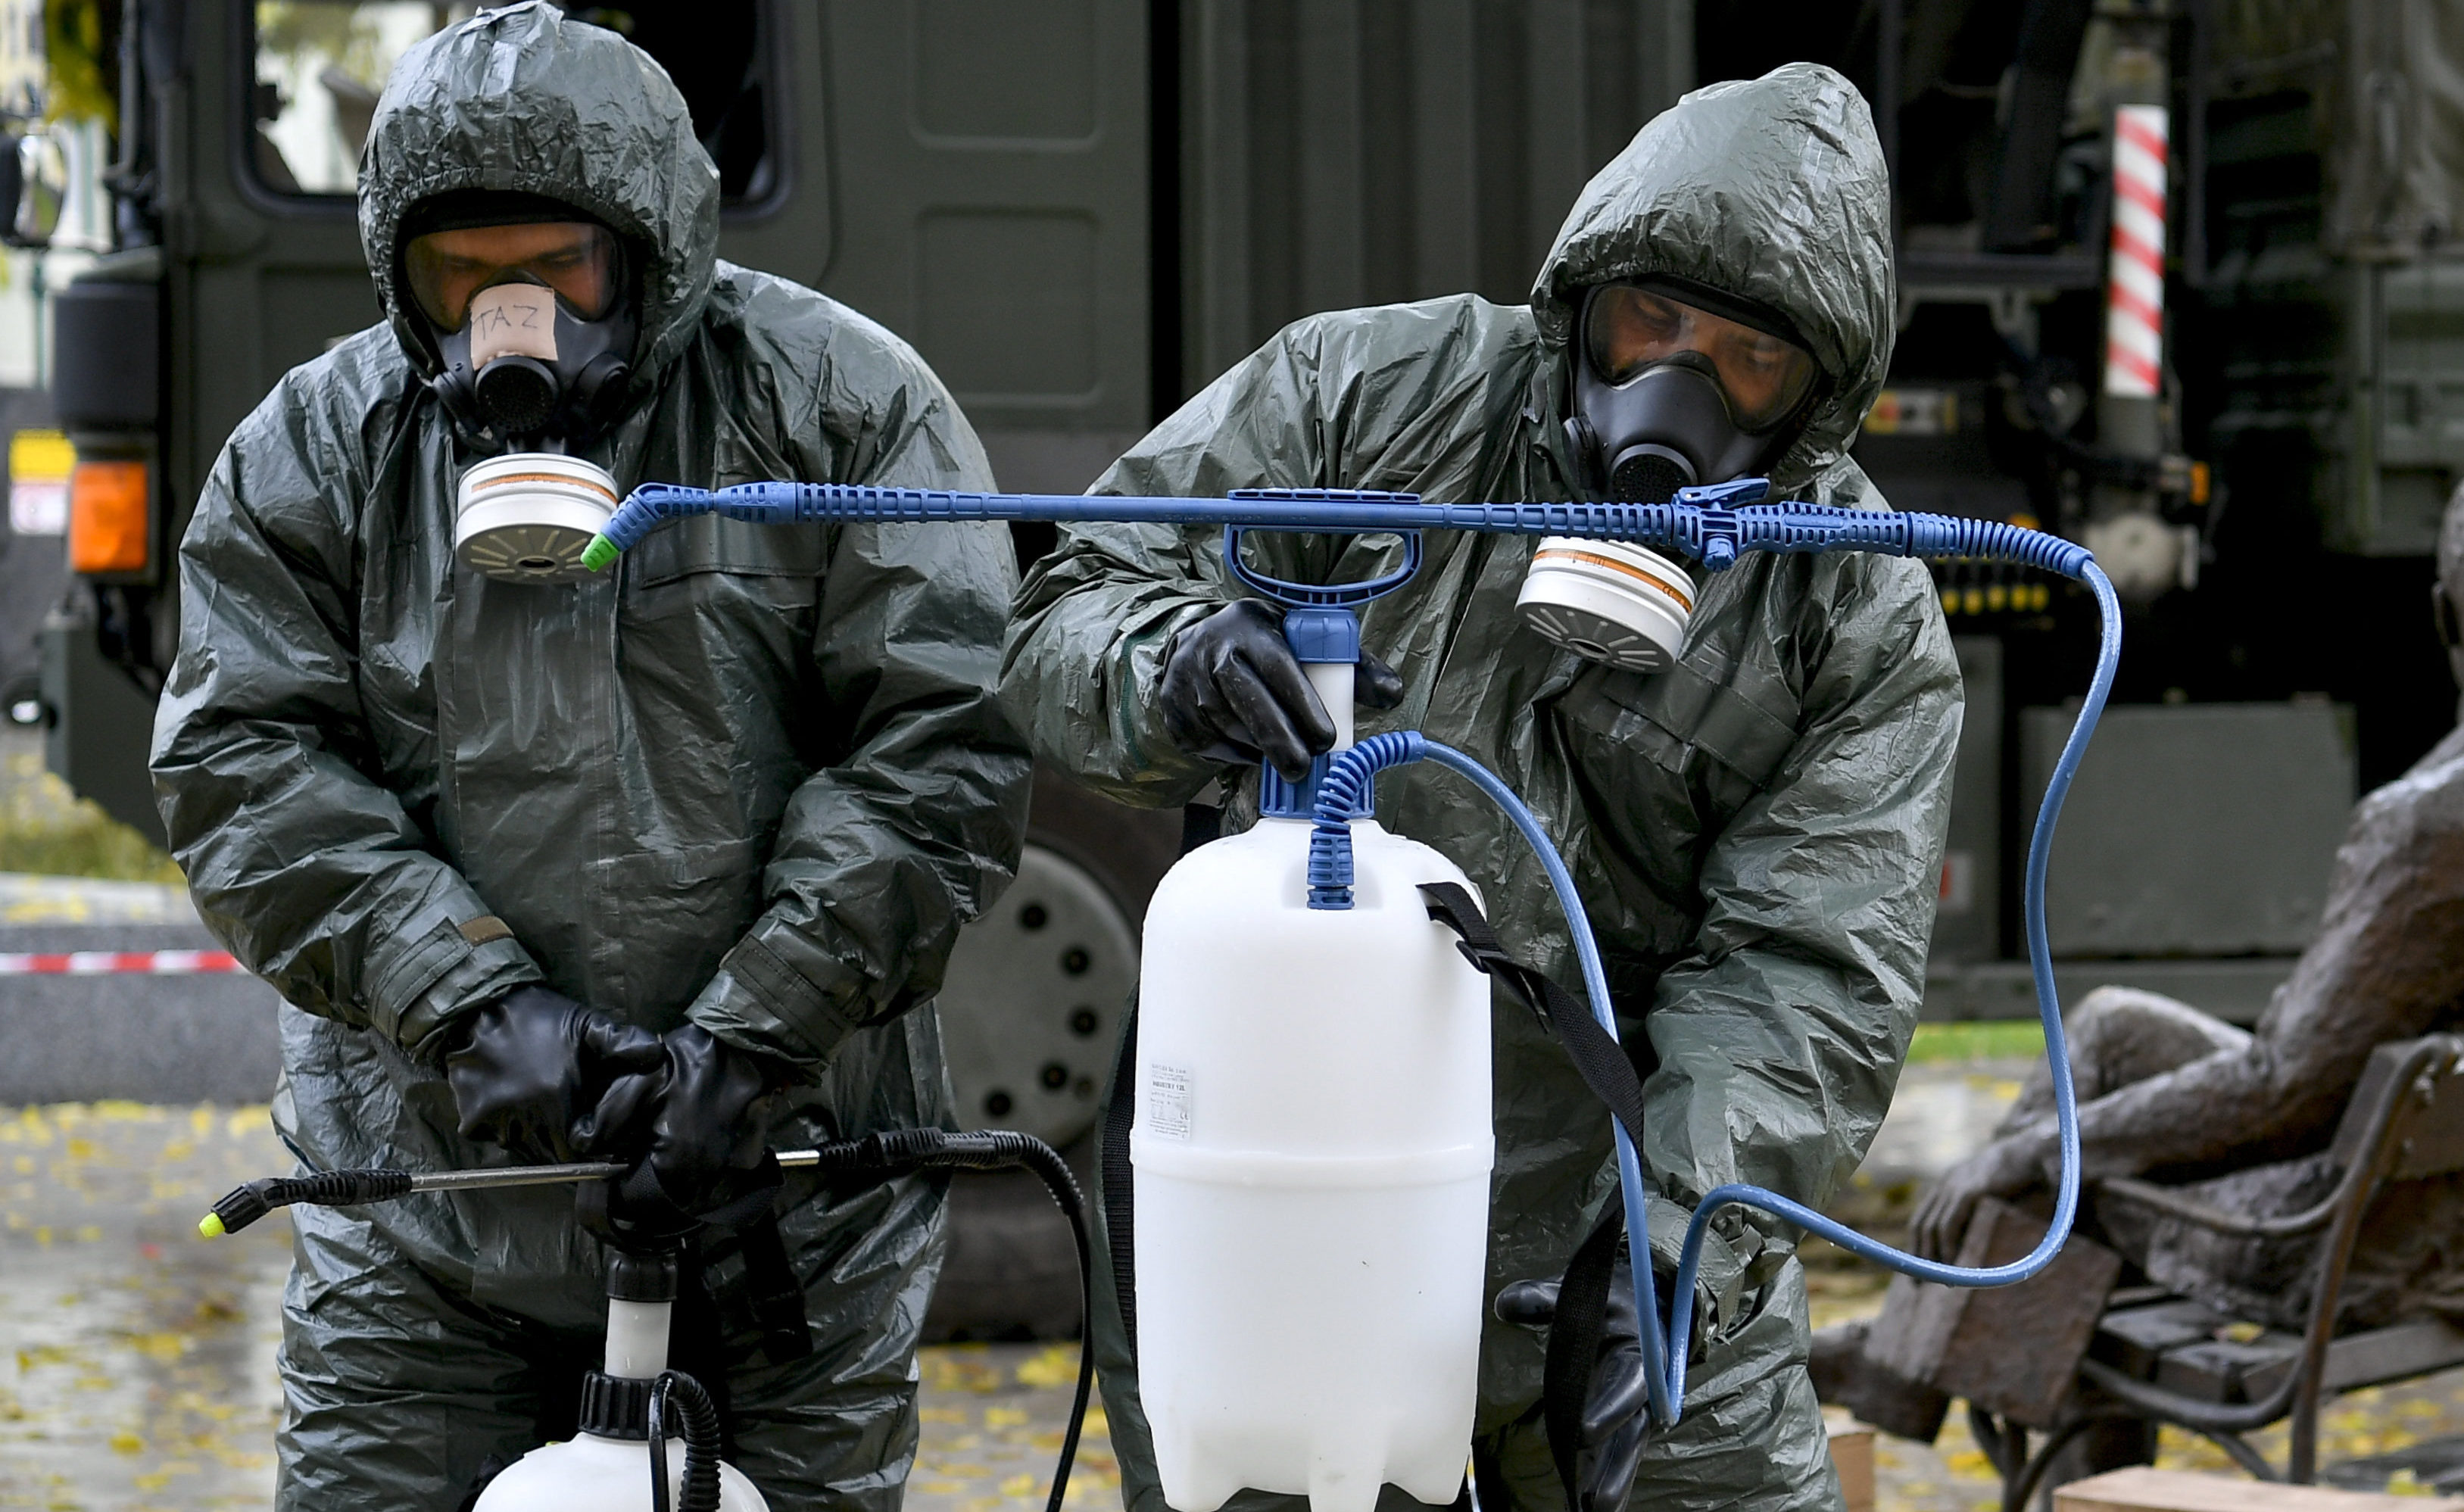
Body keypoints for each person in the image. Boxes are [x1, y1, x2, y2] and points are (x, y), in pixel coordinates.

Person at [1006, 63, 1954, 1512]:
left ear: (1813, 400)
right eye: (1650, 323)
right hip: (1291, 1161)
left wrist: (1674, 1252)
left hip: (1622, 1198)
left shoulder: (1851, 604)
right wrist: (1175, 663)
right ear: (1582, 301)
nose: (1673, 390)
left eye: (1743, 361)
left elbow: (1809, 974)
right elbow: (1075, 597)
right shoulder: (1365, 400)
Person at [150, 8, 1028, 1508]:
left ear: (652, 249)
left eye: (559, 269)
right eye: (462, 276)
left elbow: (942, 732)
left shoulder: (836, 406)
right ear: (400, 269)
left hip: (785, 1213)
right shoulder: (317, 447)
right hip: (428, 1230)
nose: (515, 323)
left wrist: (754, 1037)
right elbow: (243, 756)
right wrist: (468, 1007)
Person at [1817, 459, 2464, 1419]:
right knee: (2108, 1036)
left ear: (2446, 615)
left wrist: (2033, 1155)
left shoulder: (2435, 822)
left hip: (2384, 1247)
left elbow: (2282, 1087)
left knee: (2050, 1182)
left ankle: (1922, 1381)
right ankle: (1918, 1365)